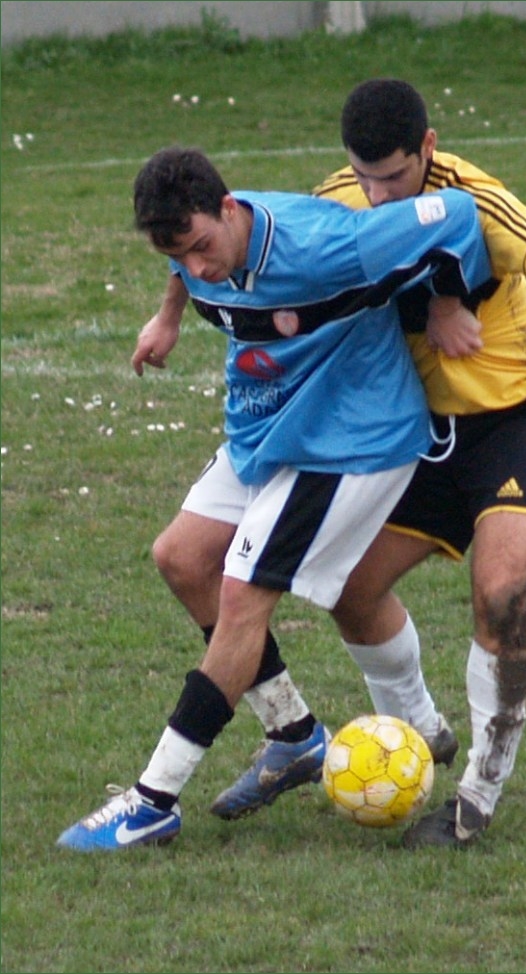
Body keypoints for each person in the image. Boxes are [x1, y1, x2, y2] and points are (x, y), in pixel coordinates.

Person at [211, 79, 526, 847]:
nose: (379, 195)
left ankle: (477, 793)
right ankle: (420, 731)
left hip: (525, 409)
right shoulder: (336, 199)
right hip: (423, 431)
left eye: (394, 176)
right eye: (365, 177)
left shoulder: (468, 196)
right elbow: (253, 253)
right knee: (351, 588)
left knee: (500, 594)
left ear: (427, 147)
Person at [56, 145, 494, 851]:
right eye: (176, 255)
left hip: (348, 440)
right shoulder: (199, 241)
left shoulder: (330, 245)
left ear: (229, 210)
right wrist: (168, 317)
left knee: (241, 598)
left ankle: (153, 800)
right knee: (181, 559)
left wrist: (447, 302)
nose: (197, 267)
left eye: (202, 246)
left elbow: (457, 214)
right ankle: (294, 735)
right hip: (269, 428)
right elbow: (185, 264)